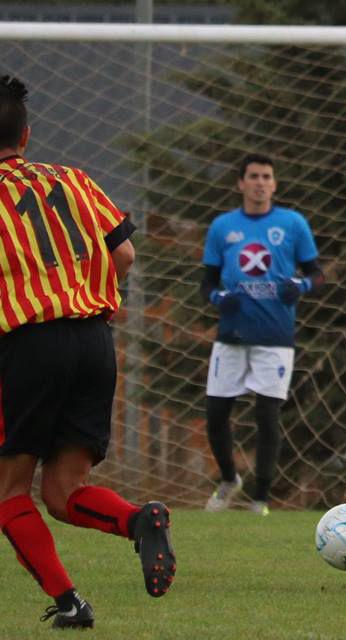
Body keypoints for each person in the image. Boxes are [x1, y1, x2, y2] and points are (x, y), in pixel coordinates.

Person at [0, 75, 175, 630]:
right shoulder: (71, 179)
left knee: (9, 492)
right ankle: (139, 521)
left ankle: (70, 603)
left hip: (26, 346)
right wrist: (97, 296)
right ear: (25, 136)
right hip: (94, 341)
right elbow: (123, 254)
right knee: (62, 489)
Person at [201, 154, 323, 516]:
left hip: (275, 338)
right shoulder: (223, 227)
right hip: (232, 335)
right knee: (216, 413)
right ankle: (228, 479)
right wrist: (219, 298)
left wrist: (299, 286)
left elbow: (317, 274)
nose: (259, 182)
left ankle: (260, 499)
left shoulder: (292, 224)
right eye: (253, 176)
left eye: (266, 176)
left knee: (267, 415)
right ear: (240, 183)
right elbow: (206, 282)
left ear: (274, 184)